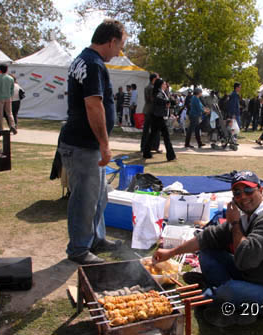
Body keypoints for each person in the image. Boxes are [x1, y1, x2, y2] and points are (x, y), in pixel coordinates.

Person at [153, 170, 263, 326]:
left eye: (248, 190)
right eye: (237, 193)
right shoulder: (248, 216)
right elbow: (209, 236)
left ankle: (225, 302)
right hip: (254, 276)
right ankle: (224, 299)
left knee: (230, 290)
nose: (243, 197)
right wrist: (171, 252)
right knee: (207, 251)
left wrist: (235, 224)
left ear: (260, 190)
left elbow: (246, 259)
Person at [58, 19, 126, 265]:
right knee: (84, 199)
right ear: (111, 41)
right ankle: (78, 250)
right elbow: (93, 104)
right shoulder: (93, 64)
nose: (119, 52)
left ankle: (95, 238)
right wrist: (105, 144)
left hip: (86, 143)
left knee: (99, 195)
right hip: (83, 144)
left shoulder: (83, 59)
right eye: (120, 46)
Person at [142, 79, 176, 161]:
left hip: (157, 116)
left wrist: (168, 103)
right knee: (166, 136)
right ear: (161, 85)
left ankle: (146, 153)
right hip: (158, 117)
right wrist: (168, 102)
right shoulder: (159, 93)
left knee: (153, 135)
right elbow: (159, 100)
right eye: (164, 84)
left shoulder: (162, 92)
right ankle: (170, 155)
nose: (166, 85)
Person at [0, 64, 17, 134]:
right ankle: (13, 126)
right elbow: (12, 89)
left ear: (0, 69)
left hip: (0, 97)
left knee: (0, 113)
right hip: (8, 97)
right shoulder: (11, 78)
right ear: (7, 69)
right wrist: (11, 96)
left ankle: (1, 127)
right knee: (9, 113)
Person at [140, 73, 160, 152]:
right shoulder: (152, 88)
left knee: (147, 130)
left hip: (148, 110)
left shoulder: (148, 87)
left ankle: (145, 146)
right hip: (152, 111)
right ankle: (153, 147)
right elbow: (152, 99)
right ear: (154, 79)